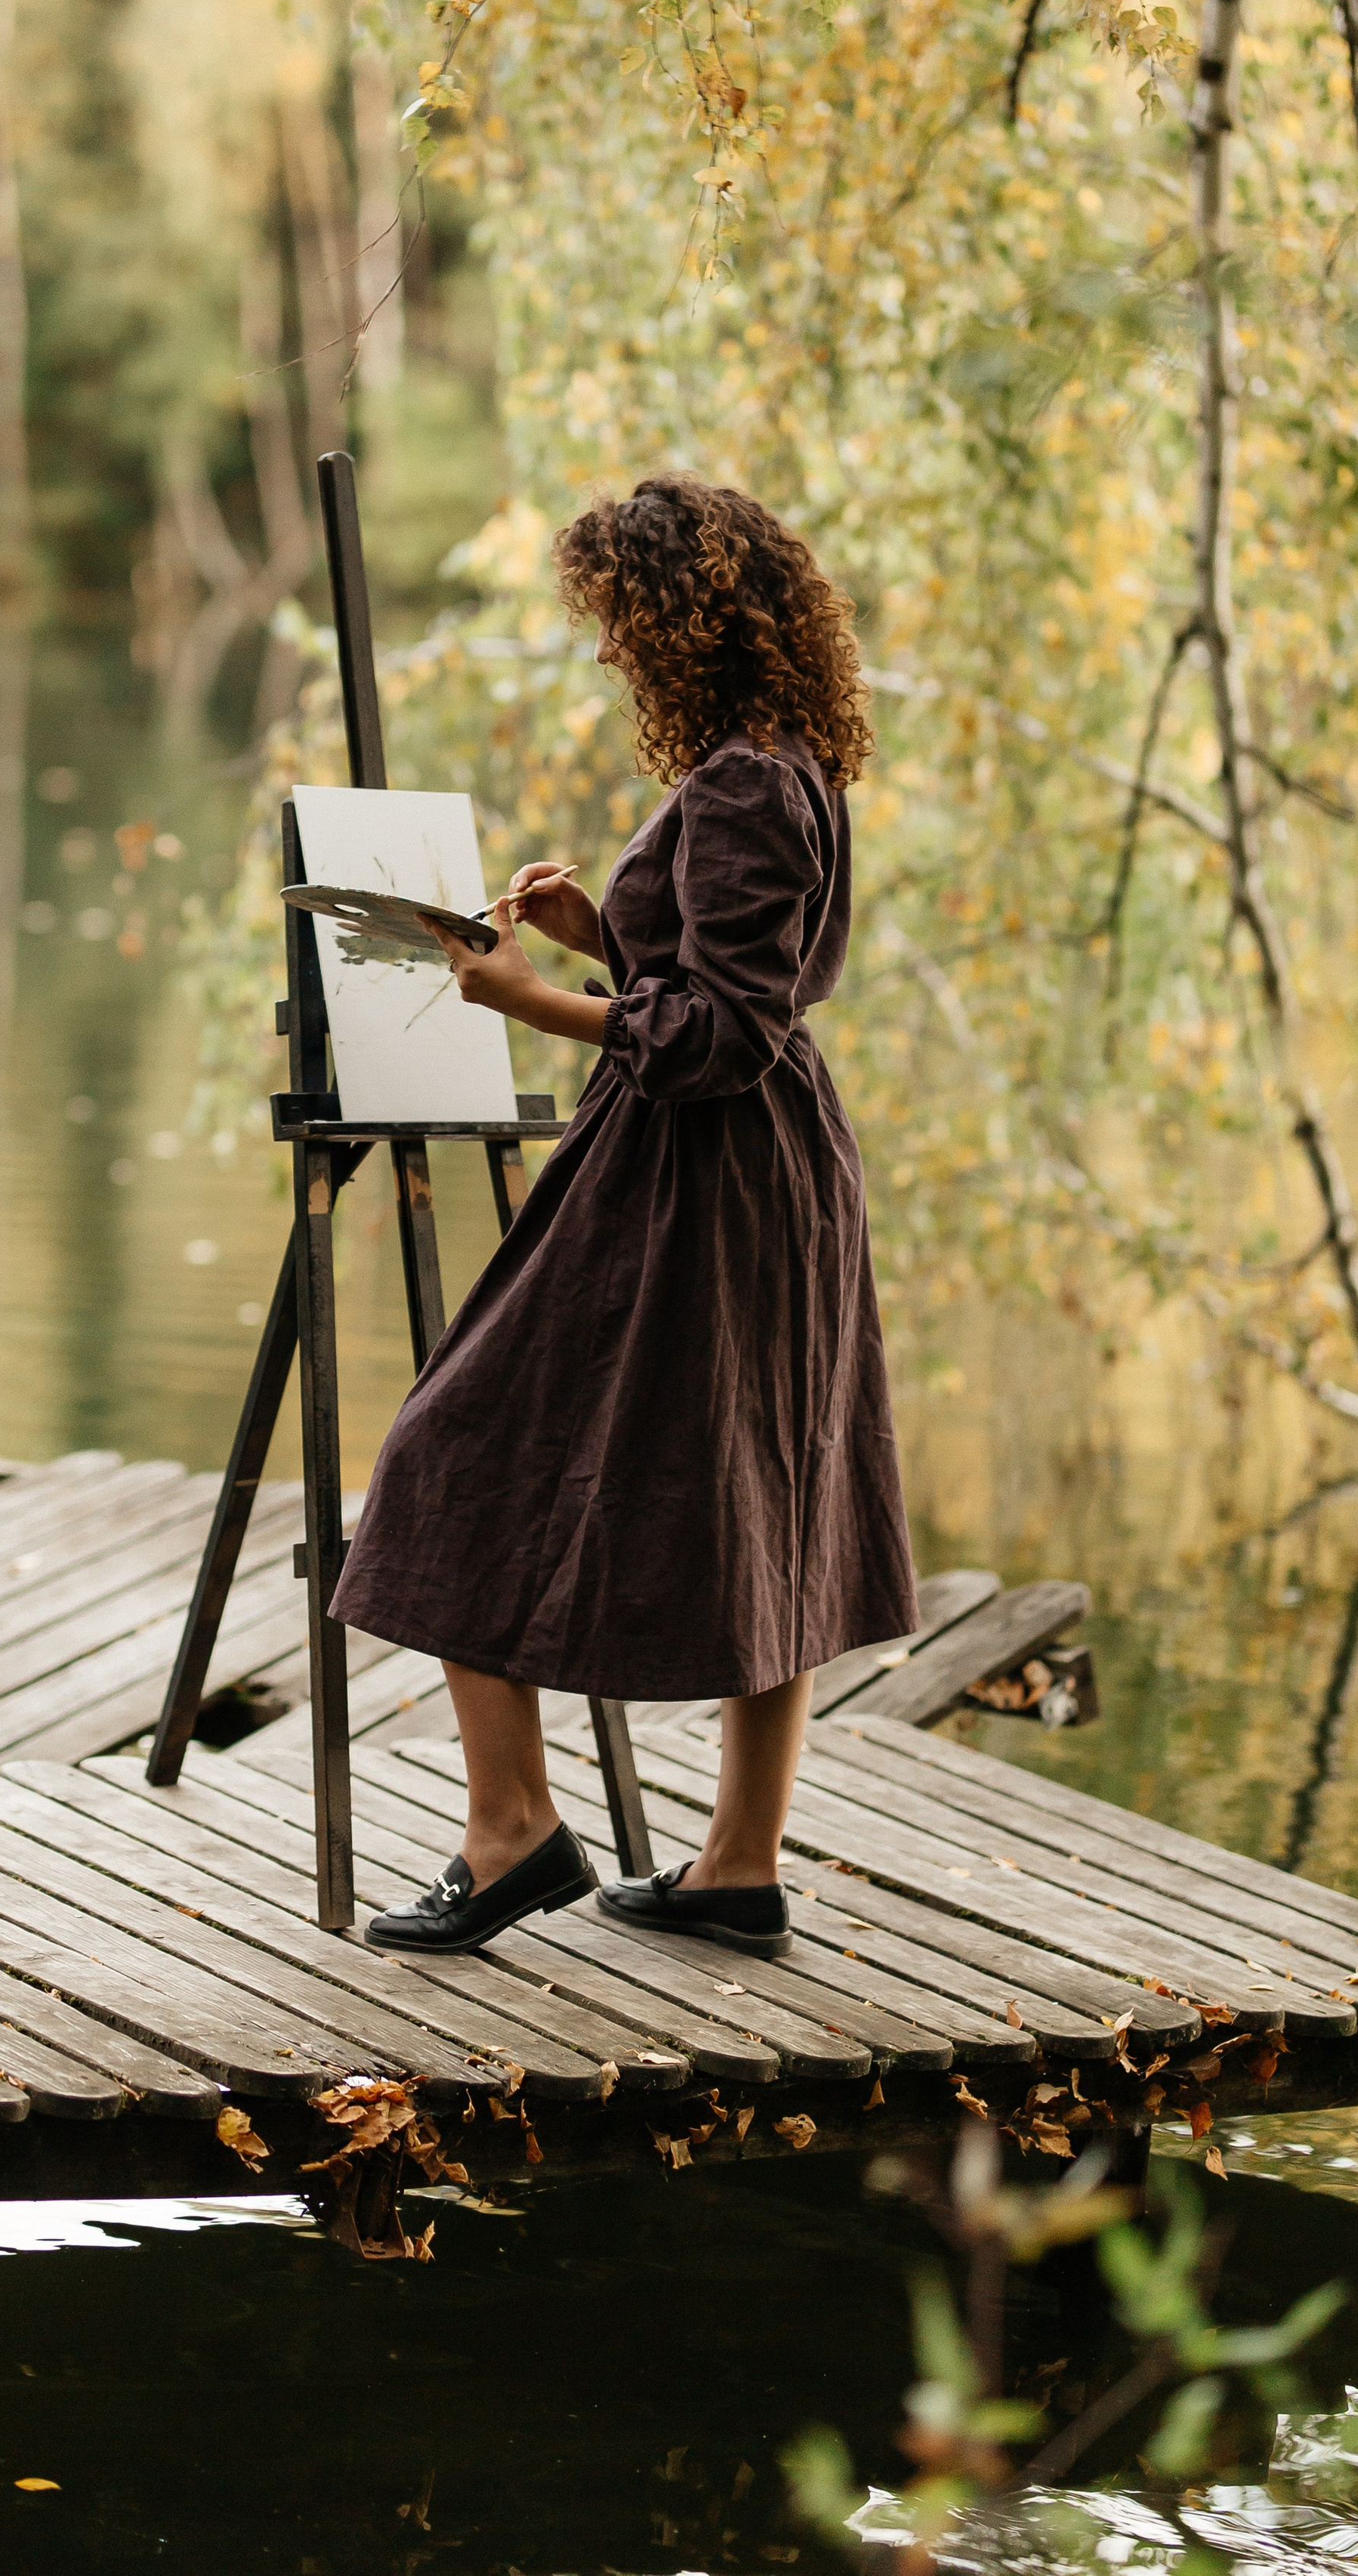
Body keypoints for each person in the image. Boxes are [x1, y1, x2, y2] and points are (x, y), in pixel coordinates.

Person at [332, 472, 919, 1961]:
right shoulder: (780, 761)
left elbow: (723, 1034)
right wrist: (617, 932)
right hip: (748, 1174)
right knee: (756, 1485)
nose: (602, 651)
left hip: (701, 1178)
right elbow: (736, 975)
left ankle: (513, 1834)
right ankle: (731, 1868)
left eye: (613, 620)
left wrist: (543, 999)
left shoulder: (738, 782)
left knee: (445, 1454)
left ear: (682, 618)